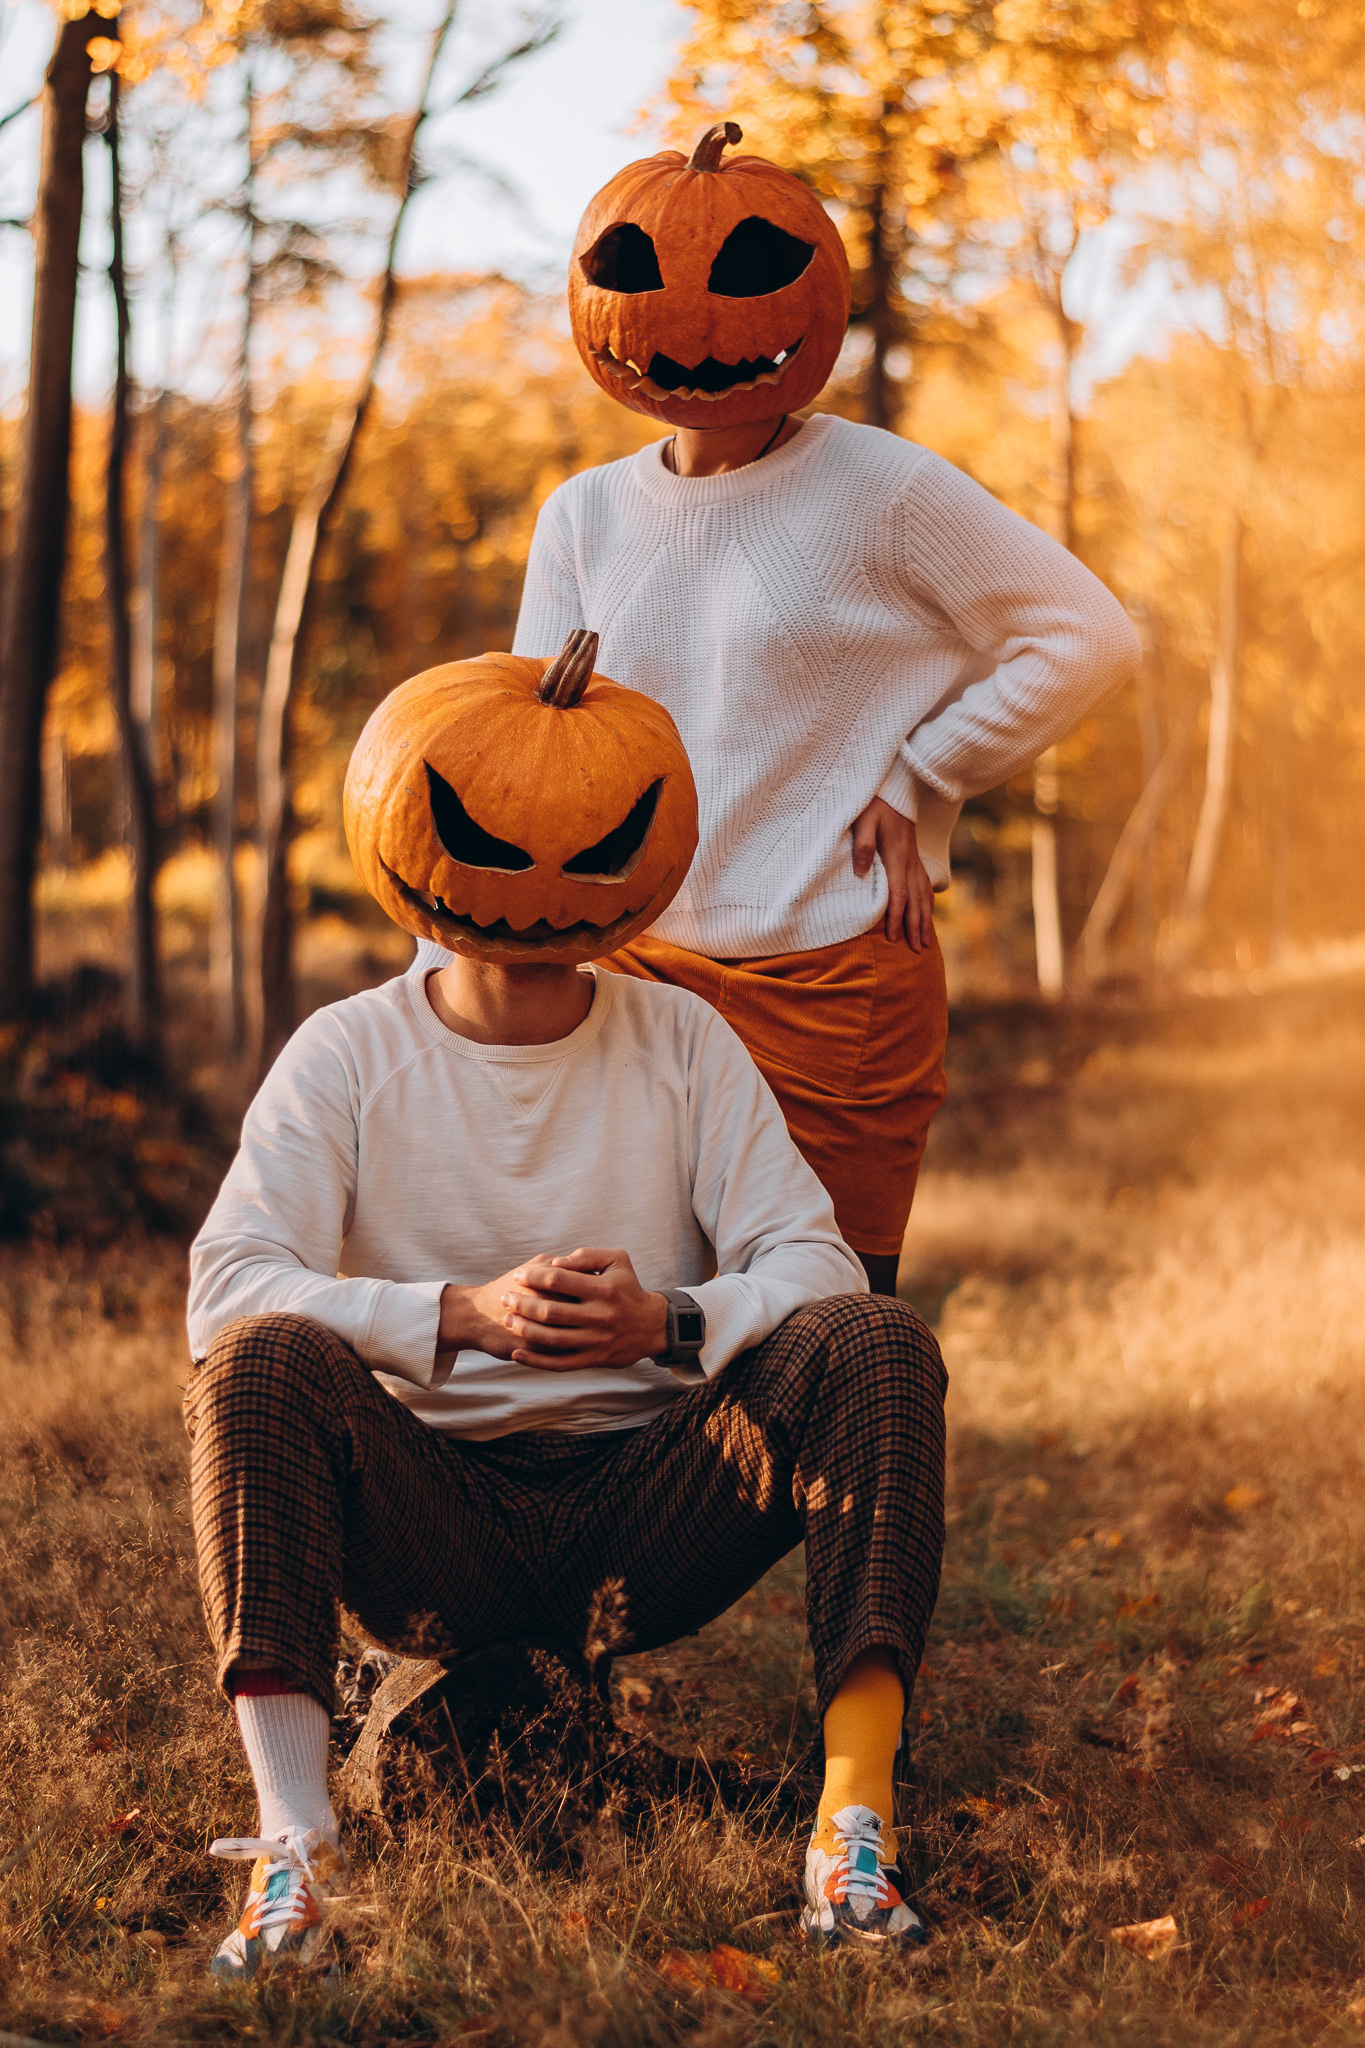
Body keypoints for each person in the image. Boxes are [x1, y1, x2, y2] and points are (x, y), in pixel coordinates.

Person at [185, 644, 948, 1980]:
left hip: (649, 1513)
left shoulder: (685, 1045)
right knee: (258, 1360)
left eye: (588, 847)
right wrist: (454, 1317)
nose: (539, 881)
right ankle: (293, 1857)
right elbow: (226, 1285)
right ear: (409, 836)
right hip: (429, 1520)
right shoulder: (348, 1054)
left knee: (876, 1341)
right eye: (491, 836)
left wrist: (670, 1323)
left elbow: (819, 1267)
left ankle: (849, 1829)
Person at [417, 122, 1141, 1293]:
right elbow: (525, 761)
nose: (698, 323)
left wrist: (925, 772)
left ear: (815, 296)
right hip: (628, 974)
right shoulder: (584, 516)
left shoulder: (885, 489)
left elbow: (1088, 633)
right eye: (641, 279)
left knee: (825, 1328)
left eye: (747, 277)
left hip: (832, 974)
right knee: (640, 1335)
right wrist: (441, 967)